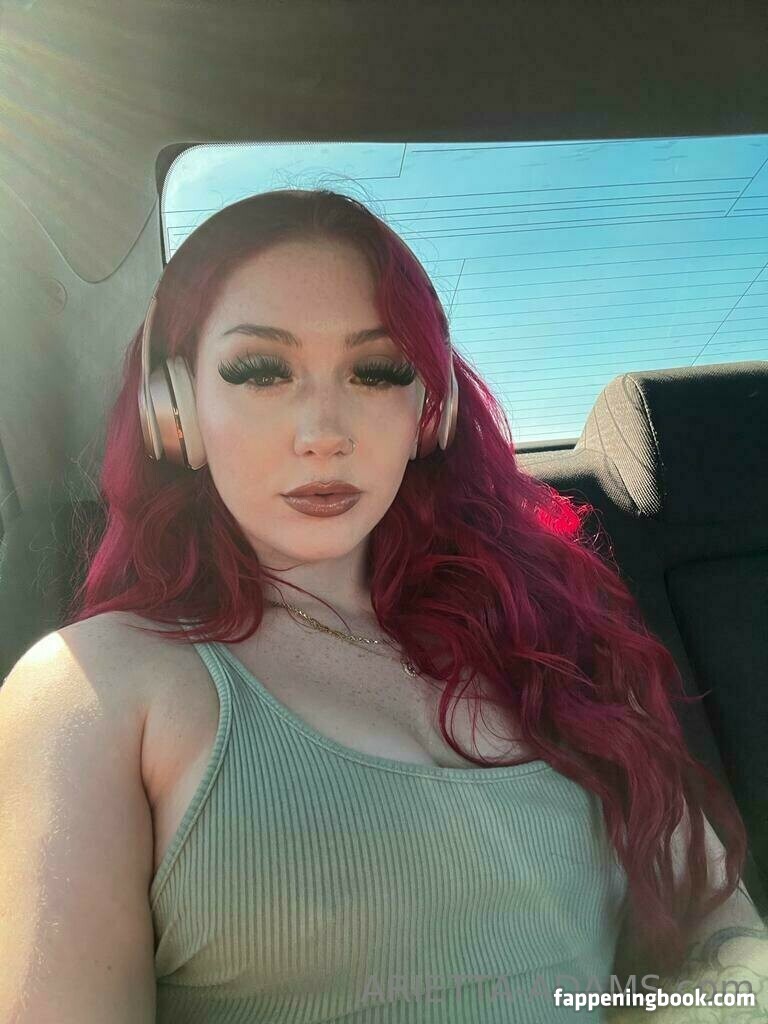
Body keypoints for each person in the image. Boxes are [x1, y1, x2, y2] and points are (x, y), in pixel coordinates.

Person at [2, 189, 760, 1023]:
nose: (325, 432)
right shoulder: (93, 689)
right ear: (174, 410)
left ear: (429, 412)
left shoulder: (548, 632)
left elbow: (717, 927)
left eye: (378, 370)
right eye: (260, 371)